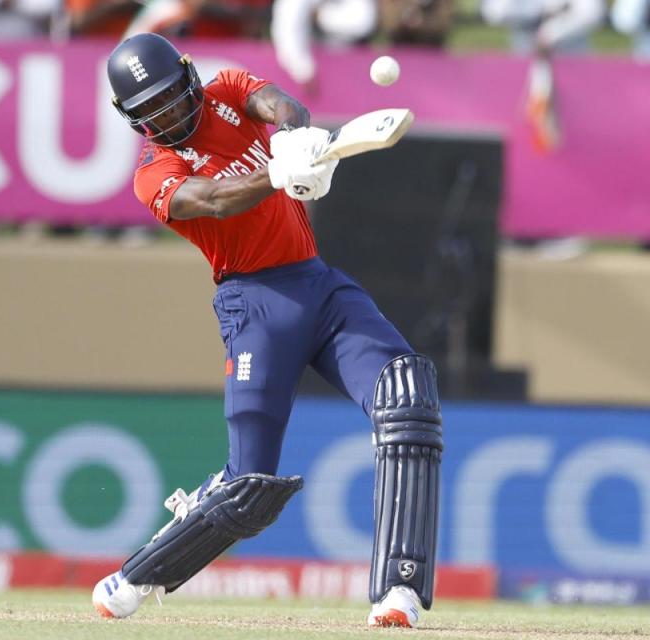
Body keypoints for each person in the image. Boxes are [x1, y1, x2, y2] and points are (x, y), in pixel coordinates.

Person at [91, 33, 443, 629]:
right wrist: (279, 175)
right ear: (134, 122)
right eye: (152, 113)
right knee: (249, 487)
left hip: (318, 285)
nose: (171, 117)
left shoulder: (226, 89)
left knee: (407, 399)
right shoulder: (155, 174)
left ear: (189, 77)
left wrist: (292, 139)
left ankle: (398, 590)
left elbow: (285, 105)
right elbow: (217, 199)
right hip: (252, 305)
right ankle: (135, 576)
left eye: (175, 99)